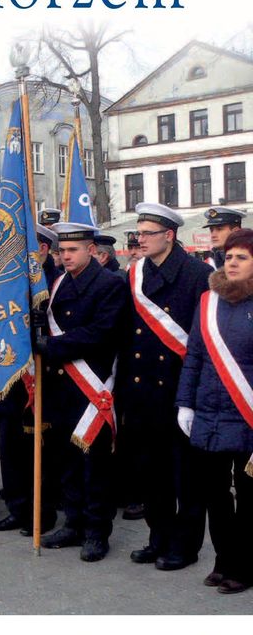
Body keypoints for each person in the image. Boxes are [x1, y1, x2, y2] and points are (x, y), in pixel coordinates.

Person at [121, 202, 211, 572]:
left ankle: (185, 545)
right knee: (151, 471)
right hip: (143, 392)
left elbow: (203, 340)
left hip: (179, 390)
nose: (139, 239)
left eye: (146, 234)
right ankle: (158, 536)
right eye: (138, 233)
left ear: (169, 236)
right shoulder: (137, 274)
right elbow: (128, 333)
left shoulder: (197, 274)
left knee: (185, 475)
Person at [34, 221, 131, 561]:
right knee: (67, 461)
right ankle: (73, 523)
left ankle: (96, 532)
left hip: (93, 386)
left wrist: (51, 344)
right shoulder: (60, 282)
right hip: (63, 386)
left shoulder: (109, 285)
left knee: (95, 465)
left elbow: (101, 333)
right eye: (61, 250)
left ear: (92, 250)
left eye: (72, 250)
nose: (65, 256)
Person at [176, 228, 253, 594]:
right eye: (229, 255)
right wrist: (185, 403)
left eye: (242, 257)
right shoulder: (208, 301)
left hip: (249, 416)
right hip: (209, 414)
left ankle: (245, 565)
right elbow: (194, 356)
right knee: (216, 496)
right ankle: (225, 560)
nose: (232, 262)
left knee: (250, 499)